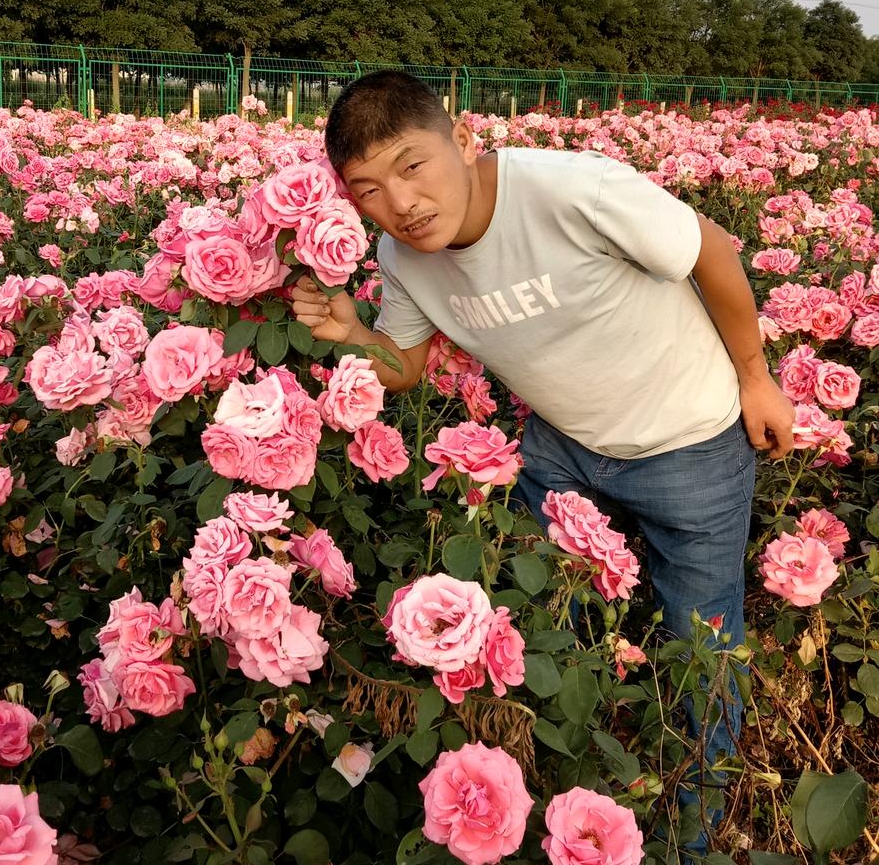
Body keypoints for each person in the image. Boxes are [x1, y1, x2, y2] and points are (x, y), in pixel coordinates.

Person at [291, 70, 795, 842]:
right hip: (562, 447)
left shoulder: (570, 190)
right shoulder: (401, 255)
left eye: (412, 165)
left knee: (703, 642)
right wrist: (349, 332)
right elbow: (403, 364)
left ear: (463, 139)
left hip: (690, 443)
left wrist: (757, 379)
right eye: (367, 189)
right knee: (535, 617)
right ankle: (563, 789)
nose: (401, 203)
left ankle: (699, 823)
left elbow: (711, 249)